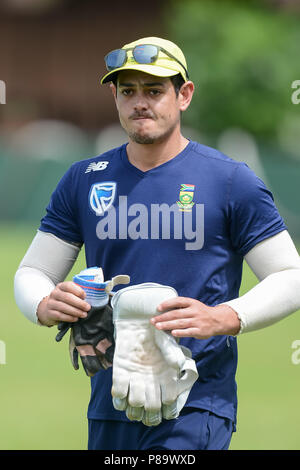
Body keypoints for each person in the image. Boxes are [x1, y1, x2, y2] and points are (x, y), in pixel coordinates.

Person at [14, 36, 300, 451]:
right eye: (127, 91)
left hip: (197, 403)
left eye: (154, 90)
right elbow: (34, 271)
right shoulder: (84, 178)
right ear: (114, 96)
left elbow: (290, 275)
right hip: (111, 399)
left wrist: (226, 317)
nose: (139, 102)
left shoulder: (230, 181)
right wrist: (44, 303)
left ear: (184, 95)